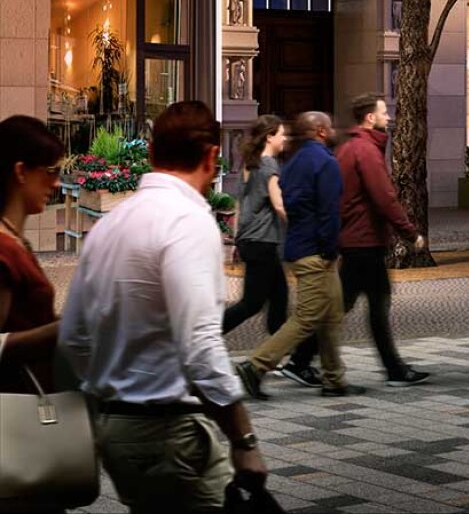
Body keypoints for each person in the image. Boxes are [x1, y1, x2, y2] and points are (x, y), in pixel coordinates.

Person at [61, 102, 268, 510]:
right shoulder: (188, 222)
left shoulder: (109, 226)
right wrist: (243, 439)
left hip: (115, 429)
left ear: (152, 153)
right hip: (168, 430)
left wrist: (110, 386)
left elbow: (74, 337)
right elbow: (200, 345)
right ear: (212, 157)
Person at [285, 94, 432, 390]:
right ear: (369, 118)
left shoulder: (350, 147)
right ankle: (393, 370)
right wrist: (410, 232)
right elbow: (384, 197)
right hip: (364, 240)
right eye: (383, 112)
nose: (388, 117)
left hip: (355, 239)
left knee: (348, 303)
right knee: (374, 304)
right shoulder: (365, 150)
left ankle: (300, 362)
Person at [239, 110, 351, 400]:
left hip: (297, 247)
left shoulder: (292, 163)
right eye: (330, 125)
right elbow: (328, 211)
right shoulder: (325, 163)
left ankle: (334, 378)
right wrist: (329, 249)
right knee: (307, 317)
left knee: (331, 312)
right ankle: (255, 366)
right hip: (316, 251)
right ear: (321, 132)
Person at [0, 115, 63, 399]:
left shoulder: (14, 241)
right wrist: (67, 328)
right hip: (16, 410)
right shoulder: (4, 250)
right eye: (50, 171)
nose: (57, 183)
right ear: (21, 172)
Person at [222, 114, 290, 338]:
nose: (285, 139)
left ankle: (275, 353)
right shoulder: (269, 164)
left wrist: (236, 239)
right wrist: (299, 228)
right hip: (263, 241)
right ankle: (205, 336)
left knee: (279, 296)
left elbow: (240, 205)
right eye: (281, 134)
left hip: (250, 240)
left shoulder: (249, 164)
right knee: (252, 303)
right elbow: (279, 204)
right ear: (269, 137)